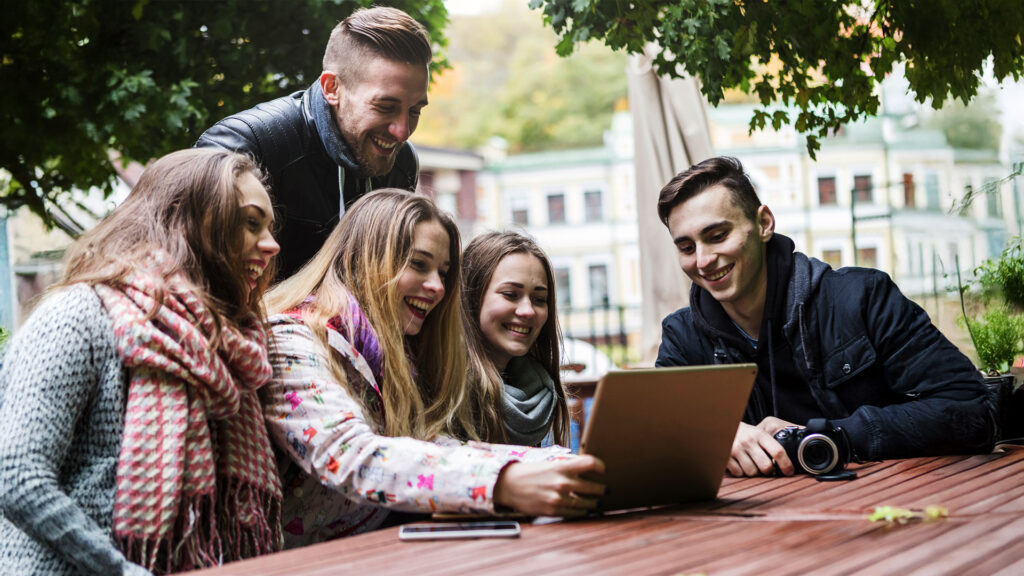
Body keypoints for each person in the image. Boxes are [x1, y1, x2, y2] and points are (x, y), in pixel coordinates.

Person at [262, 189, 605, 547]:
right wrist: (504, 482)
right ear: (366, 257)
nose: (438, 287)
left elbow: (430, 443)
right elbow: (351, 457)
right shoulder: (292, 338)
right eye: (419, 264)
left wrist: (555, 462)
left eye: (443, 272)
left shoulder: (383, 354)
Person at [0, 149, 283, 575]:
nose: (272, 244)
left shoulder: (227, 346)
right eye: (250, 222)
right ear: (190, 220)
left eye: (269, 227)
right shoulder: (78, 316)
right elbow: (16, 477)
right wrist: (123, 571)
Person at [654, 156, 996, 477]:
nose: (702, 260)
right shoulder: (683, 337)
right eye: (686, 247)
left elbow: (973, 410)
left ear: (763, 223)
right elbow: (654, 434)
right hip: (751, 525)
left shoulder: (862, 298)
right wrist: (715, 435)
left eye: (717, 236)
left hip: (888, 501)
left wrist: (835, 437)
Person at [196, 6, 429, 278]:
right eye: (385, 106)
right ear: (332, 88)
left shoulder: (403, 163)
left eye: (415, 111)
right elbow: (195, 278)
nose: (402, 132)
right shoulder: (245, 144)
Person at [461, 231, 571, 447]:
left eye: (539, 299)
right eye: (511, 294)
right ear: (471, 296)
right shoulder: (445, 390)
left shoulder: (539, 390)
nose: (528, 311)